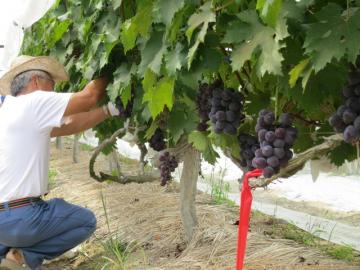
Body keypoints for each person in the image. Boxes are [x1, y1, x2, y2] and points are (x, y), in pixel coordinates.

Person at [0, 55, 120, 270]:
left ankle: (4, 253)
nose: (54, 92)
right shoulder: (34, 102)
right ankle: (20, 257)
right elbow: (89, 97)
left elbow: (70, 124)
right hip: (23, 217)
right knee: (84, 221)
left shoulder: (8, 112)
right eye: (52, 85)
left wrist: (108, 110)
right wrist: (115, 65)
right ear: (35, 81)